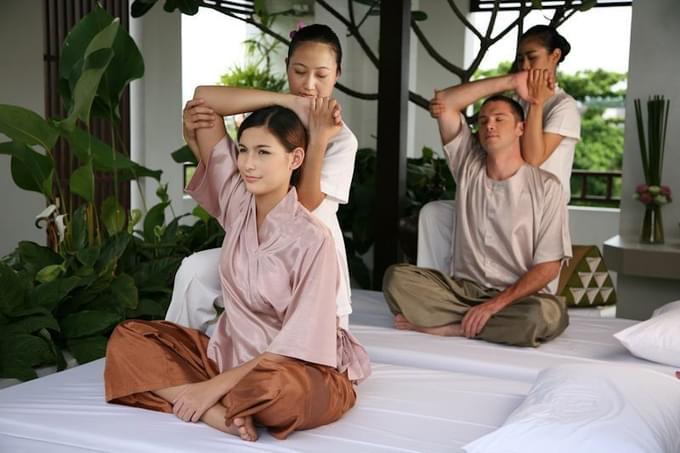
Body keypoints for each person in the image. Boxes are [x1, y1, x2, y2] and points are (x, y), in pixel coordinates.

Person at [105, 103, 370, 442]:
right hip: (227, 358)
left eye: (263, 152)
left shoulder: (314, 240)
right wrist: (294, 101)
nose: (247, 163)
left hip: (296, 368)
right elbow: (206, 101)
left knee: (280, 395)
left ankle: (203, 394)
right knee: (128, 338)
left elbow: (298, 343)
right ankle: (217, 412)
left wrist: (213, 385)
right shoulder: (237, 202)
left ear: (295, 158)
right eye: (243, 150)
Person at [165, 24, 357, 332]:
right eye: (299, 71)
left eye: (321, 75)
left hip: (308, 261)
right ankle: (179, 354)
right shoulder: (265, 124)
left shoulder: (341, 139)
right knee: (194, 272)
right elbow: (204, 99)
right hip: (253, 250)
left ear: (337, 74)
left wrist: (318, 137)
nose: (309, 84)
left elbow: (305, 206)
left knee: (288, 363)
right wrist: (289, 102)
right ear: (287, 68)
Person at [382, 79, 572, 347]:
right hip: (463, 292)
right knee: (396, 279)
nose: (489, 125)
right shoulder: (468, 166)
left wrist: (495, 305)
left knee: (541, 316)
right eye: (482, 121)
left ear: (521, 127)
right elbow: (445, 102)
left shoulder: (547, 187)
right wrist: (514, 81)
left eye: (499, 119)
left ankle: (454, 328)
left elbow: (549, 266)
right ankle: (477, 323)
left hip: (518, 298)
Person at [417, 25, 580, 273]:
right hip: (495, 193)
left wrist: (536, 103)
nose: (525, 65)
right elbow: (444, 102)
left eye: (532, 57)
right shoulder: (515, 101)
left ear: (554, 56)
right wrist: (512, 81)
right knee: (435, 214)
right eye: (520, 59)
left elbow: (533, 158)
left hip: (536, 209)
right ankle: (438, 291)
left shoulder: (563, 106)